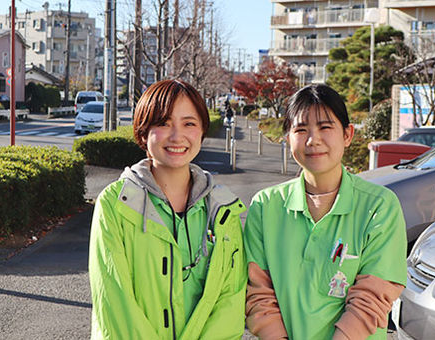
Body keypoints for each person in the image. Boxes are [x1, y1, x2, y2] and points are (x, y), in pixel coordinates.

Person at [244, 84, 407, 340]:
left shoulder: (379, 206)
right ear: (287, 138)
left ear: (347, 135)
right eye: (300, 129)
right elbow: (258, 293)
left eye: (325, 127)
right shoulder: (265, 206)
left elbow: (374, 295)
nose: (313, 140)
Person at [89, 79, 247, 339]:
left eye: (189, 123)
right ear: (142, 132)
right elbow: (114, 302)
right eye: (163, 123)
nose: (177, 136)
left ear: (202, 132)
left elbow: (230, 302)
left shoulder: (223, 211)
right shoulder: (115, 204)